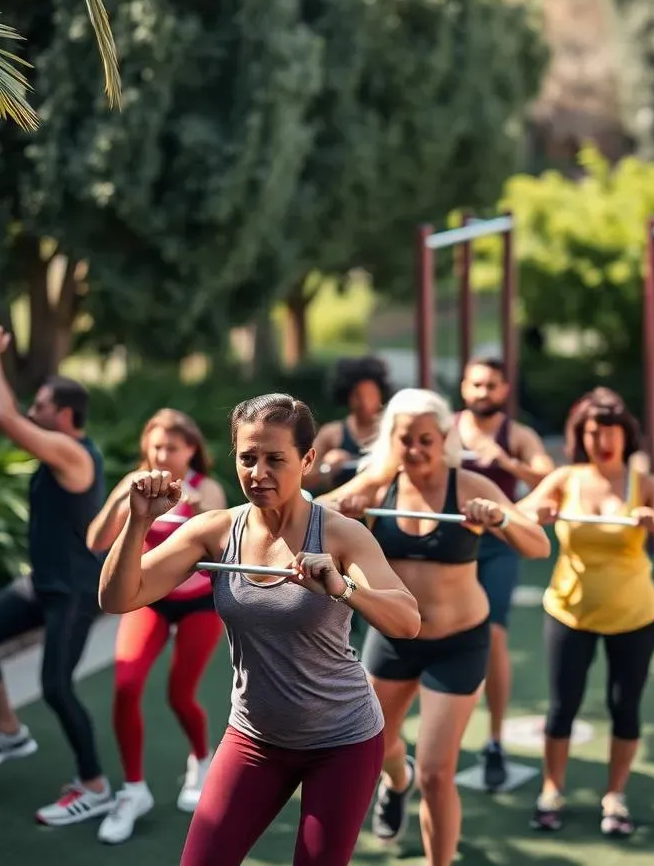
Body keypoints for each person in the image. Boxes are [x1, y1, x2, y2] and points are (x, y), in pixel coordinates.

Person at [98, 392, 421, 866]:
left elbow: (407, 621)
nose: (259, 473)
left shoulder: (340, 534)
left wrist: (343, 587)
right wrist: (138, 521)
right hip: (254, 737)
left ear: (307, 459)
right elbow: (117, 598)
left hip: (343, 740)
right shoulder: (215, 529)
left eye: (275, 459)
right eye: (248, 458)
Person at [320, 388, 550, 866]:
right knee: (373, 747)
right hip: (395, 638)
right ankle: (394, 780)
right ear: (392, 439)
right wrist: (341, 508)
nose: (417, 450)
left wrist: (501, 517)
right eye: (407, 440)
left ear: (444, 437)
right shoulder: (377, 484)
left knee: (436, 772)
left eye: (427, 439)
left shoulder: (467, 486)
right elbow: (306, 517)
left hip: (459, 642)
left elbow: (537, 545)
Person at [0, 326, 113, 825]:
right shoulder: (54, 442)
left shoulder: (73, 454)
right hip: (42, 582)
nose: (32, 412)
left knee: (56, 687)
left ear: (65, 415)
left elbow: (1, 414)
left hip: (75, 591)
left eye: (41, 406)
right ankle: (9, 730)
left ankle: (95, 785)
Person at [518, 387, 654, 837]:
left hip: (633, 615)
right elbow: (515, 518)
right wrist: (533, 513)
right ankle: (551, 790)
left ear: (626, 435)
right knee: (562, 708)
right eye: (593, 433)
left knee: (625, 708)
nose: (603, 441)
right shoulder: (566, 478)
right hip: (569, 611)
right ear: (582, 437)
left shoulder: (646, 485)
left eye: (611, 431)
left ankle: (614, 796)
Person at [86, 409, 228, 844]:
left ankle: (201, 760)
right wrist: (122, 500)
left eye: (172, 446)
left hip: (200, 604)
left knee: (180, 695)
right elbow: (96, 542)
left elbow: (224, 547)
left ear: (192, 450)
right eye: (156, 445)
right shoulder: (137, 483)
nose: (162, 454)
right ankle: (133, 790)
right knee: (126, 686)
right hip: (149, 601)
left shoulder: (208, 488)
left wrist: (202, 508)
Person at [454, 356, 554, 790]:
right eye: (476, 384)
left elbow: (549, 477)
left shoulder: (518, 434)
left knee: (493, 634)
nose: (482, 392)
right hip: (448, 543)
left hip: (497, 546)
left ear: (505, 390)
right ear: (463, 388)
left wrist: (509, 463)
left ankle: (494, 739)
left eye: (491, 385)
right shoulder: (445, 428)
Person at [304, 356, 390, 493]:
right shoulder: (332, 434)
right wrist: (326, 469)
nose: (364, 402)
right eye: (358, 395)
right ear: (347, 396)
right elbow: (302, 477)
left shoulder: (391, 430)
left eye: (370, 395)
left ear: (381, 395)